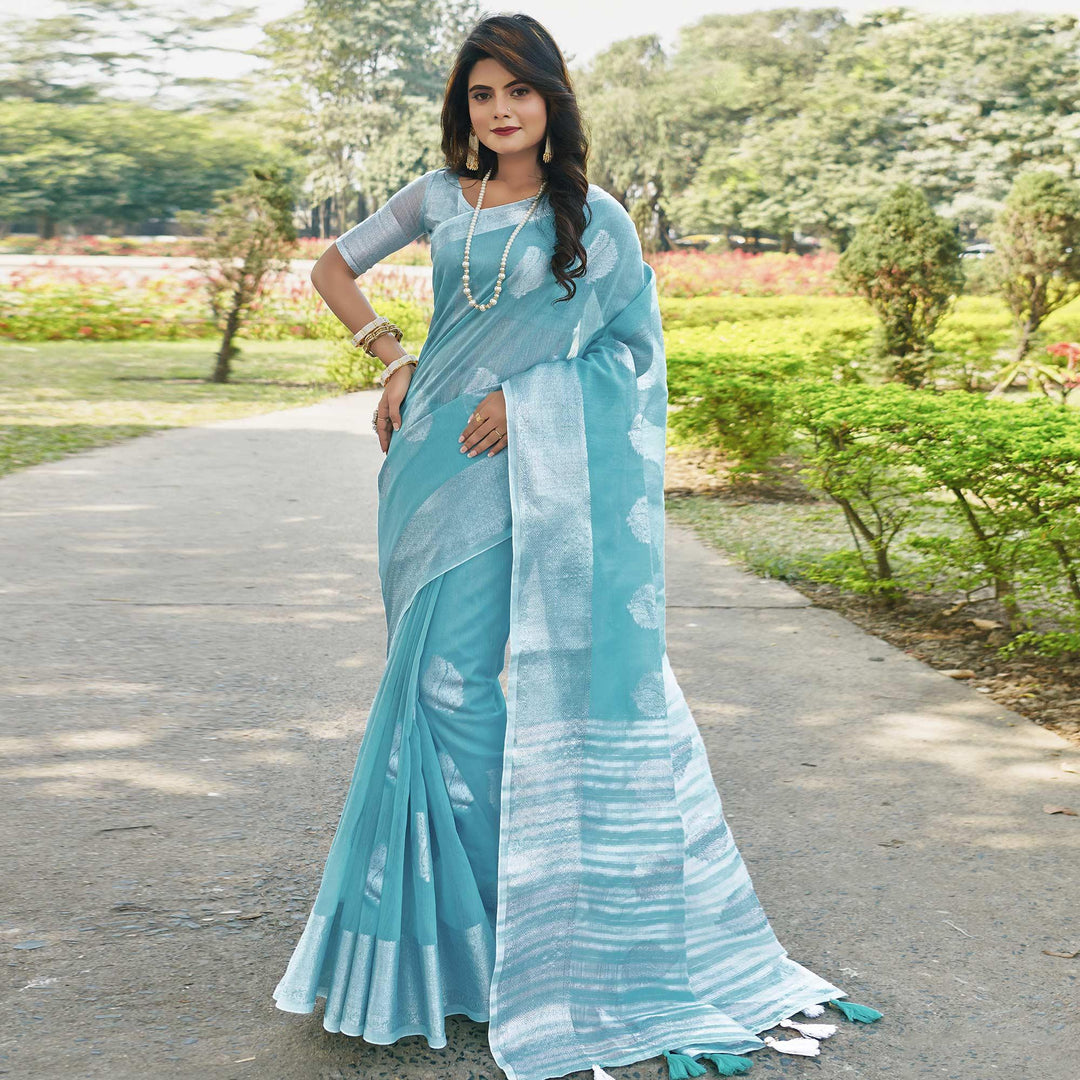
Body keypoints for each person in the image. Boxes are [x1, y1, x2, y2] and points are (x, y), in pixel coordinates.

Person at [272, 13, 883, 1080]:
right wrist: (390, 355)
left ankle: (538, 910)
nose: (499, 110)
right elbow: (331, 266)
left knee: (457, 688)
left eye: (518, 90)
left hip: (520, 470)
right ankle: (471, 933)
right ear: (463, 108)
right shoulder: (437, 197)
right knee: (424, 686)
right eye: (481, 94)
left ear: (552, 99)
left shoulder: (595, 219)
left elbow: (632, 358)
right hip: (422, 466)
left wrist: (531, 397)